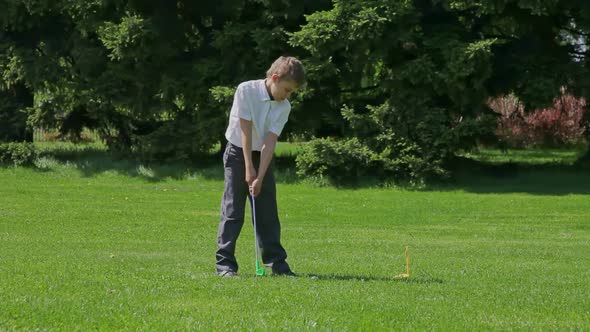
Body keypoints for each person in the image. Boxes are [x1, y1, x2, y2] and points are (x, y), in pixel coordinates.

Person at [216, 56, 305, 277]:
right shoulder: (246, 90)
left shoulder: (283, 106)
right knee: (233, 210)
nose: (287, 95)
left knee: (267, 213)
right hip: (238, 152)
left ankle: (277, 264)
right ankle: (225, 265)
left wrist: (260, 176)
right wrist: (248, 168)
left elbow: (270, 142)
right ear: (274, 78)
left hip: (262, 157)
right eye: (286, 89)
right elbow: (245, 131)